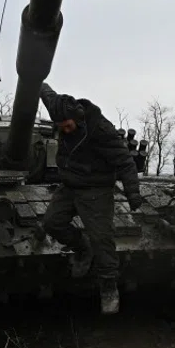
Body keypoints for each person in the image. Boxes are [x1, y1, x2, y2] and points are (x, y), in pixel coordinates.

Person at [37, 81, 144, 315]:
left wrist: (132, 193)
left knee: (102, 238)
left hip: (96, 188)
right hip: (69, 184)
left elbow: (125, 161)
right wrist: (35, 79)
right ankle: (81, 247)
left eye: (67, 126)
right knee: (52, 223)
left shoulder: (101, 130)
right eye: (60, 126)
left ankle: (108, 286)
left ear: (79, 118)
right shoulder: (58, 107)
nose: (64, 130)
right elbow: (44, 90)